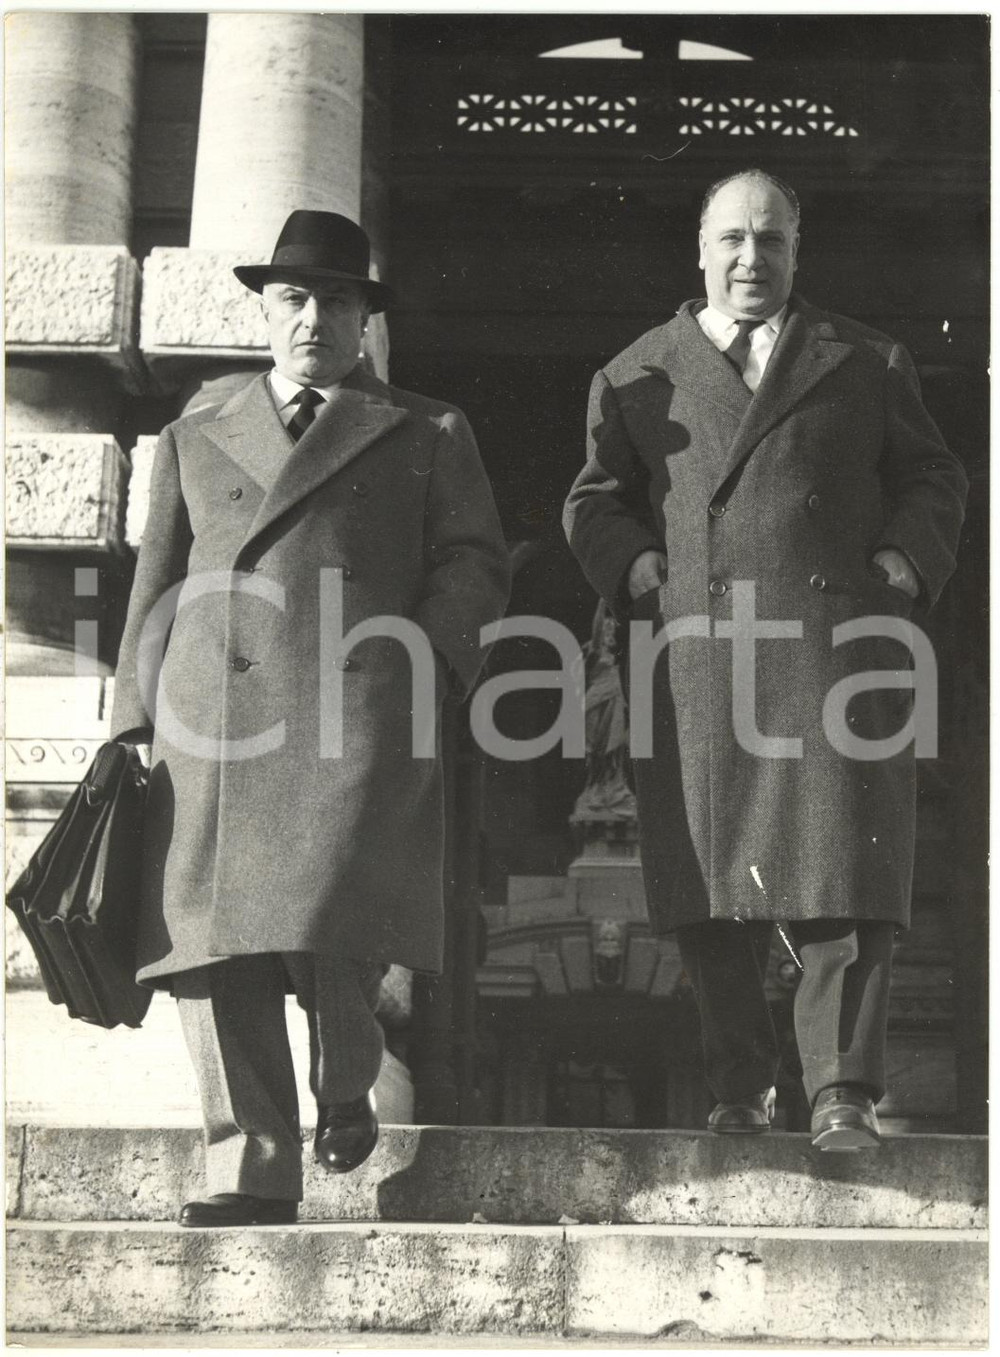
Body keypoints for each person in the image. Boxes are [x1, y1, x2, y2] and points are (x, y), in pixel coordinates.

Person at [111, 210, 510, 1224]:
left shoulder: (426, 429)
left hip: (356, 706)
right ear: (264, 308)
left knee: (338, 911)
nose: (313, 318)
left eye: (337, 300)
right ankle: (247, 1168)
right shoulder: (197, 427)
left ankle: (346, 1073)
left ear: (364, 318)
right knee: (210, 943)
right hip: (212, 712)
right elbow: (154, 579)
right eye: (294, 297)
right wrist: (128, 718)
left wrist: (424, 662)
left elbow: (473, 562)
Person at [563, 170, 967, 1150]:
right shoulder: (633, 373)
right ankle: (739, 1085)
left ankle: (841, 1093)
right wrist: (635, 562)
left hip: (833, 653)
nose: (752, 258)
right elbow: (590, 501)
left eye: (772, 240)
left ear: (797, 251)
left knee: (842, 872)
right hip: (696, 657)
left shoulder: (864, 360)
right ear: (699, 252)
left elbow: (933, 473)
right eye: (733, 240)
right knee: (709, 883)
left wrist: (902, 559)